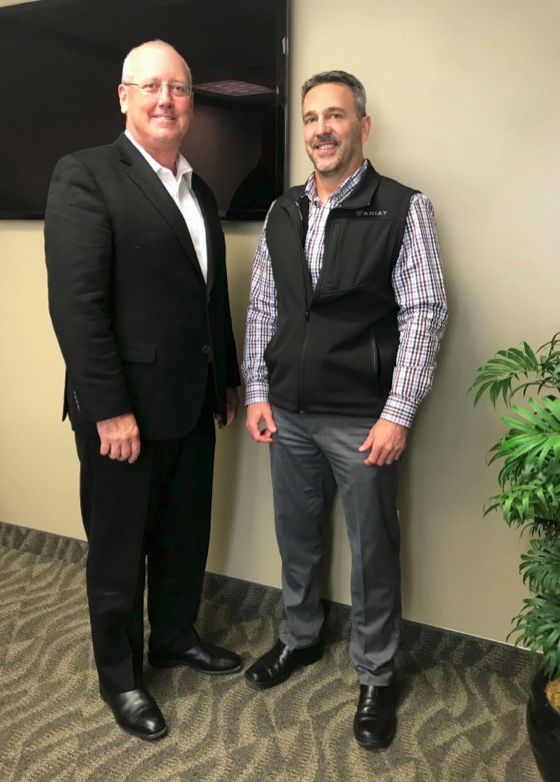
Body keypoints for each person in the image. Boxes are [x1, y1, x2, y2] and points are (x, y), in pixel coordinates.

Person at [241, 70, 447, 750]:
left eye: (334, 116)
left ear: (362, 125)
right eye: (310, 118)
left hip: (363, 417)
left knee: (372, 552)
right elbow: (264, 307)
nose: (321, 130)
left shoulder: (402, 207)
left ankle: (376, 673)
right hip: (288, 412)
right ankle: (300, 636)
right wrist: (257, 390)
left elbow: (424, 311)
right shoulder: (282, 210)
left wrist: (398, 412)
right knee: (296, 536)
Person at [45, 40, 242, 742]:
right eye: (152, 86)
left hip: (191, 400)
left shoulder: (199, 189)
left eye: (179, 88)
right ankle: (120, 676)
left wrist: (227, 378)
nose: (166, 99)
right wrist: (110, 410)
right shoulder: (86, 176)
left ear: (192, 102)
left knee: (184, 535)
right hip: (121, 414)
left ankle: (176, 636)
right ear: (124, 97)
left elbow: (209, 296)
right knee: (120, 550)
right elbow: (77, 308)